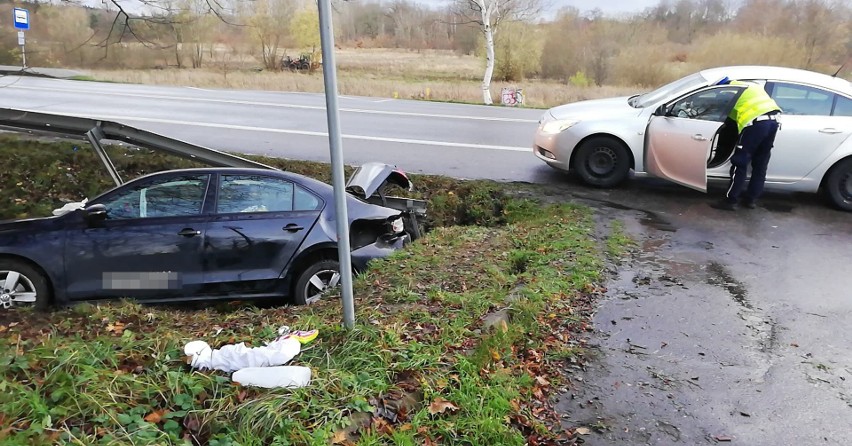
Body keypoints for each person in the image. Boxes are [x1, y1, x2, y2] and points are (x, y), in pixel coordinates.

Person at [711, 77, 782, 211]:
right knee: (760, 163)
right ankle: (751, 200)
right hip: (774, 122)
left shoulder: (732, 91)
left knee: (740, 161)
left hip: (757, 124)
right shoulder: (749, 86)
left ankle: (730, 201)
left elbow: (728, 121)